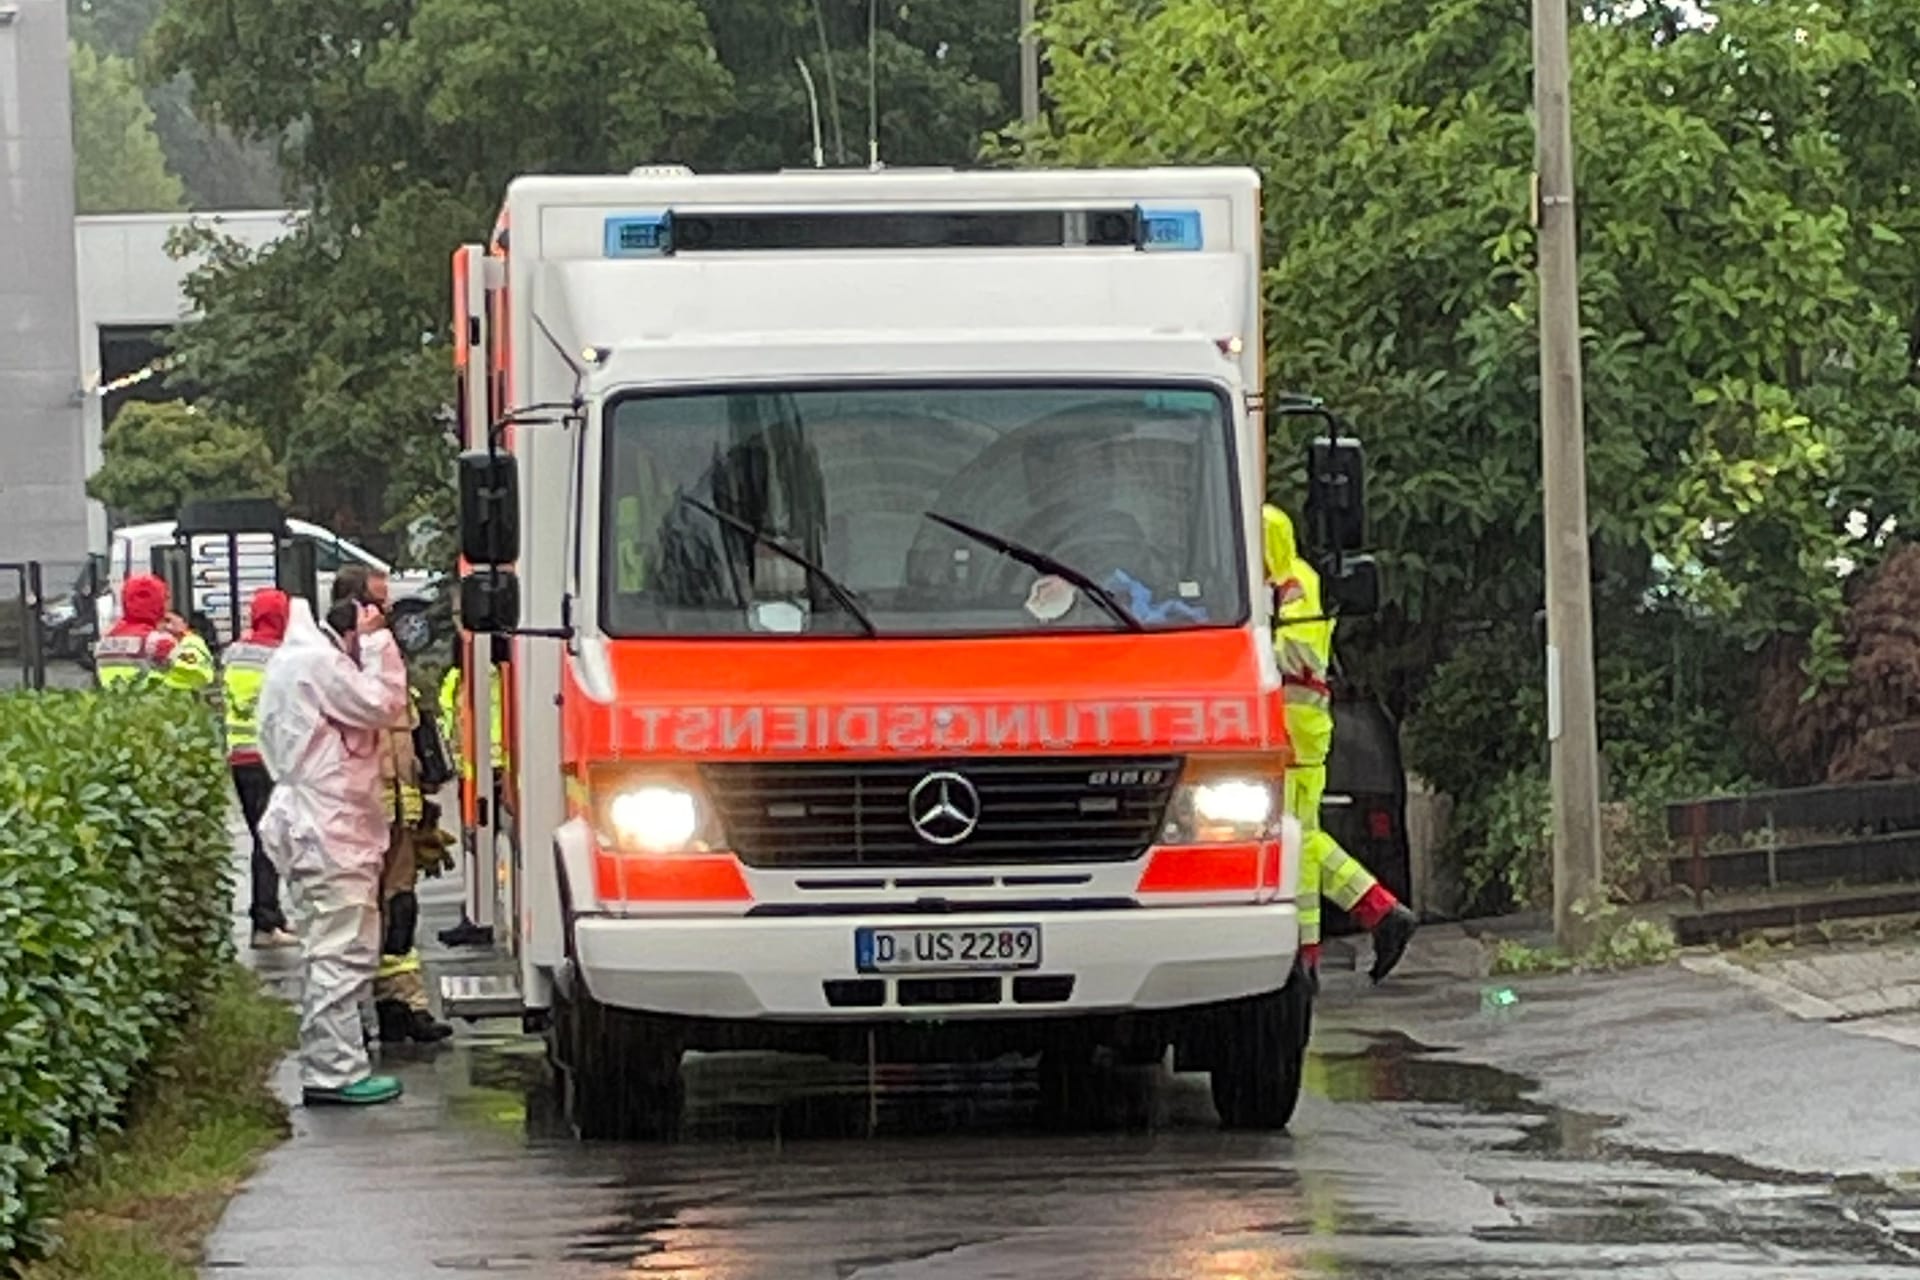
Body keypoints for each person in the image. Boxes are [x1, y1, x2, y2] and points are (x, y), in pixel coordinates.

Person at [256, 590, 410, 1107]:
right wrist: (379, 645)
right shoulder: (318, 663)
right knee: (340, 951)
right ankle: (334, 1071)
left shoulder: (292, 661)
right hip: (328, 827)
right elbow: (382, 703)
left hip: (314, 823)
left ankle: (336, 1063)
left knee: (333, 945)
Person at [1264, 503, 1417, 984]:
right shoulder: (1281, 584)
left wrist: (1254, 641)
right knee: (1298, 833)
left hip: (1297, 726)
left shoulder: (1297, 583)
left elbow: (1301, 652)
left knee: (1298, 838)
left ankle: (1307, 959)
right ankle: (1380, 912)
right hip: (1285, 724)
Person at [329, 566, 458, 1045]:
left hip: (398, 808)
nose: (389, 614)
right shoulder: (340, 664)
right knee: (359, 917)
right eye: (380, 604)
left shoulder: (385, 657)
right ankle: (353, 1019)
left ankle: (403, 1007)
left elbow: (405, 731)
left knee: (400, 909)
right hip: (359, 815)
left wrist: (421, 790)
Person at [224, 588, 297, 949]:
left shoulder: (236, 652)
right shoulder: (279, 656)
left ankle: (272, 916)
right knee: (268, 841)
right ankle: (265, 922)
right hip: (267, 758)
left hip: (239, 756)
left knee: (263, 836)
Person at [94, 574, 210, 690]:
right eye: (165, 598)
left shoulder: (106, 640)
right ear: (157, 603)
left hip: (119, 705)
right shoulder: (157, 642)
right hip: (154, 705)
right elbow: (198, 675)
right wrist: (187, 635)